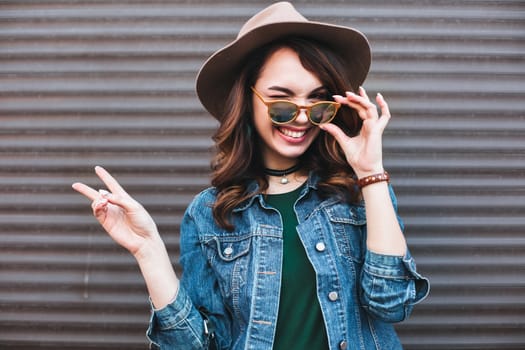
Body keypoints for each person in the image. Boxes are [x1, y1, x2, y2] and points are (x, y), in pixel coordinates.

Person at [72, 2, 429, 349]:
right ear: (248, 99)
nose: (302, 118)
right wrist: (148, 251)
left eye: (318, 103)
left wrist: (370, 173)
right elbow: (198, 345)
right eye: (282, 102)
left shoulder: (360, 191)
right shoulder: (210, 212)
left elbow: (392, 304)